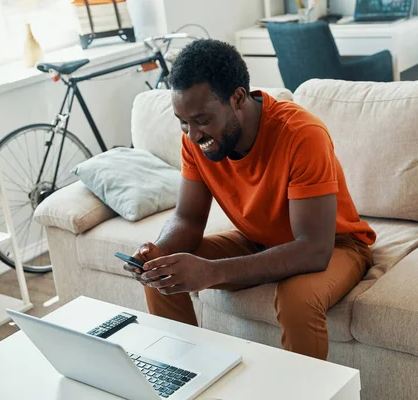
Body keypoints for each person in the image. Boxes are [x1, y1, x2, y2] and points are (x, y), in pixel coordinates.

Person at [124, 39, 375, 360]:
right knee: (164, 269)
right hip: (258, 241)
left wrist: (214, 271)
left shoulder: (302, 134)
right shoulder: (196, 141)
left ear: (238, 98)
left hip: (337, 245)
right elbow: (187, 219)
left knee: (296, 299)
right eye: (183, 122)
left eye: (202, 120)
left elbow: (313, 249)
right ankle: (186, 376)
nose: (192, 135)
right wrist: (156, 251)